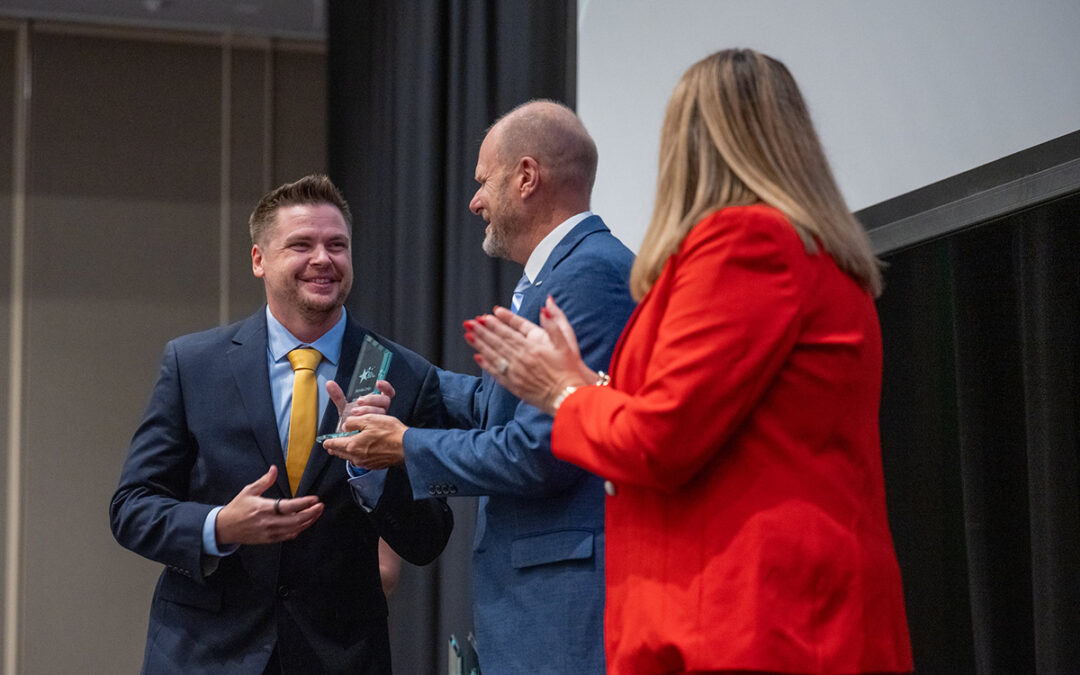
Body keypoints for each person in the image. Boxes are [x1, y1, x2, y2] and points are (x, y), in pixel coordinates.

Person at [464, 50, 914, 674]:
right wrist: (587, 384)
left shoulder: (748, 245)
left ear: (692, 143)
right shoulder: (810, 253)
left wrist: (567, 393)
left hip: (757, 624)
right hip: (779, 615)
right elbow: (701, 417)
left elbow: (661, 439)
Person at [323, 100, 636, 674]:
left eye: (483, 181)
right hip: (540, 607)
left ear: (526, 176)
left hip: (564, 617)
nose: (474, 202)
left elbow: (543, 450)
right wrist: (394, 365)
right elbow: (502, 409)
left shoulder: (586, 277)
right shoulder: (565, 273)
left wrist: (406, 446)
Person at [110, 175, 454, 675]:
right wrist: (221, 526)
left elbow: (429, 539)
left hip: (339, 655)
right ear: (258, 260)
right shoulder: (193, 364)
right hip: (205, 653)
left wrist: (375, 474)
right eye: (301, 244)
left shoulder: (401, 374)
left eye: (337, 245)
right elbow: (131, 507)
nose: (323, 259)